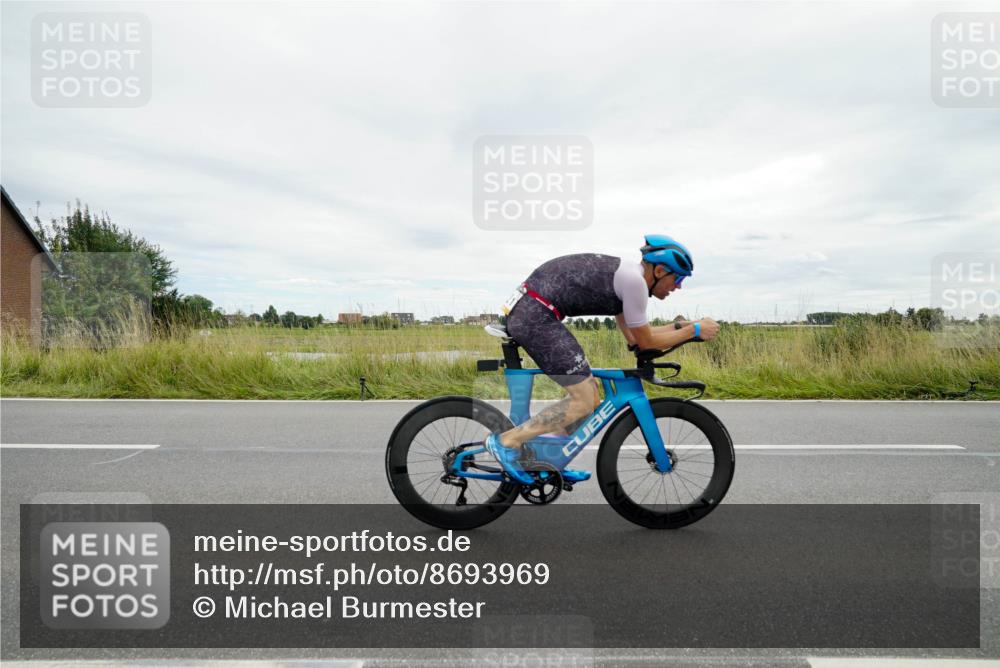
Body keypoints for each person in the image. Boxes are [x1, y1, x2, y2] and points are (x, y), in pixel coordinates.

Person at [484, 234, 720, 484]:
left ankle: (547, 459)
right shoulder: (635, 283)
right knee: (585, 400)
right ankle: (507, 442)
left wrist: (683, 328)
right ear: (660, 270)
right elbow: (648, 342)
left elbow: (638, 339)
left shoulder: (628, 281)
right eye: (679, 278)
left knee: (589, 397)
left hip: (533, 310)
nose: (679, 287)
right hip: (536, 315)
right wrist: (693, 331)